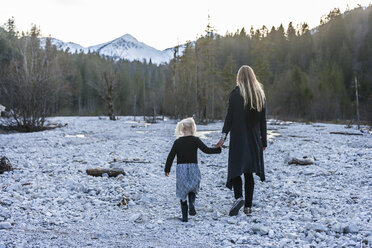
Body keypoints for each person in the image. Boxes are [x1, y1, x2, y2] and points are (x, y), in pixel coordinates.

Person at [216, 65, 267, 216]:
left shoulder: (234, 95)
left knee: (236, 169)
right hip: (253, 140)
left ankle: (238, 198)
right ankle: (248, 207)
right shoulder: (260, 95)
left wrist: (223, 137)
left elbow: (229, 119)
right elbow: (263, 122)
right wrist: (264, 142)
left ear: (239, 77)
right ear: (253, 76)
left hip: (238, 139)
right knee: (249, 172)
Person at [165, 117, 221, 222]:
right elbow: (206, 150)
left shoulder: (177, 142)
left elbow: (171, 156)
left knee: (182, 192)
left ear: (182, 129)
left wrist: (167, 169)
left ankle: (185, 217)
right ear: (192, 128)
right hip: (193, 167)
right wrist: (218, 150)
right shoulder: (195, 140)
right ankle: (192, 203)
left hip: (181, 169)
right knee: (193, 188)